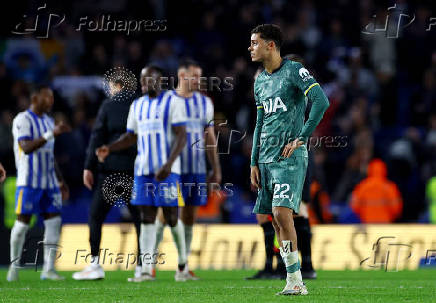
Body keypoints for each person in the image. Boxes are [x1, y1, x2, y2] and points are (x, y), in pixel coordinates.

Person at [248, 24, 329, 295]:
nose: (251, 48)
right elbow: (259, 123)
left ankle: (296, 279)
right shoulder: (260, 80)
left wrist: (302, 137)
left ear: (271, 45)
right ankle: (292, 279)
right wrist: (253, 162)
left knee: (283, 214)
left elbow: (320, 100)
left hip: (289, 156)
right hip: (266, 159)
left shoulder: (294, 71)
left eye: (255, 42)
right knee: (275, 220)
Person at [96, 65, 188, 282]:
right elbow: (130, 137)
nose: (145, 83)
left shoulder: (173, 102)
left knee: (171, 217)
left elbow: (182, 136)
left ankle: (183, 264)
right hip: (143, 171)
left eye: (150, 79)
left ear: (160, 80)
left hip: (168, 171)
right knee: (146, 218)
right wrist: (110, 148)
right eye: (143, 80)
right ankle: (146, 269)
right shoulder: (137, 105)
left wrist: (169, 164)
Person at [154, 58, 221, 280]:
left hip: (197, 168)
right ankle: (148, 264)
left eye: (200, 75)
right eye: (195, 75)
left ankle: (182, 267)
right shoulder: (165, 100)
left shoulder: (205, 103)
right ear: (182, 76)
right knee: (165, 214)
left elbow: (209, 136)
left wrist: (216, 168)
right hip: (171, 168)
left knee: (190, 216)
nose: (199, 80)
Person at [72, 76, 142, 280]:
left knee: (96, 216)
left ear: (118, 86)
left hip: (110, 172)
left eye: (111, 86)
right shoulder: (141, 104)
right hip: (133, 171)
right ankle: (142, 267)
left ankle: (94, 264)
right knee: (139, 219)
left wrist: (88, 167)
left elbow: (97, 136)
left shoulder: (108, 105)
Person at [7, 85, 71, 281]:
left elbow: (49, 155)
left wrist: (60, 180)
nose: (50, 101)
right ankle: (14, 267)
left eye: (52, 97)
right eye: (46, 97)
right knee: (22, 224)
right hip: (29, 182)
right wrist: (51, 133)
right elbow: (26, 147)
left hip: (49, 182)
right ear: (34, 98)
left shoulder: (48, 121)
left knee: (54, 222)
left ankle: (48, 269)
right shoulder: (22, 119)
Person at [351, 159, 403, 223]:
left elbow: (355, 206)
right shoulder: (390, 187)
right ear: (384, 170)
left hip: (367, 222)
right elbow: (396, 209)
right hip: (385, 223)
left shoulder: (362, 186)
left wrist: (363, 215)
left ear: (369, 170)